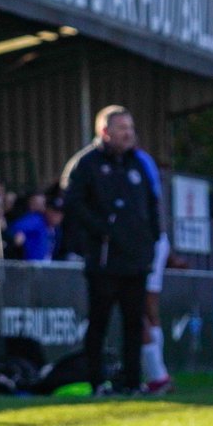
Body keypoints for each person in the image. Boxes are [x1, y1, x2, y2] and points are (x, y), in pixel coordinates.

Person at [60, 106, 159, 396]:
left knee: (133, 323)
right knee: (99, 324)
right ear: (105, 131)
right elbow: (73, 204)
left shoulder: (137, 164)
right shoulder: (86, 164)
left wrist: (150, 241)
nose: (129, 133)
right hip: (103, 262)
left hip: (136, 262)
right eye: (122, 128)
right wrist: (102, 231)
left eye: (131, 127)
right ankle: (96, 382)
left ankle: (131, 382)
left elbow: (151, 206)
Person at [134, 143, 174, 395]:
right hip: (156, 240)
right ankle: (158, 374)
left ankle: (157, 375)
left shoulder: (136, 161)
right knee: (149, 307)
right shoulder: (142, 159)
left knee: (137, 306)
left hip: (145, 242)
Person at [7, 190, 58, 261]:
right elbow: (14, 231)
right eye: (36, 203)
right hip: (32, 264)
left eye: (42, 203)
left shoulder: (47, 220)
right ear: (30, 203)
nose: (40, 206)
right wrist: (16, 235)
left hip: (46, 262)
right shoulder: (30, 219)